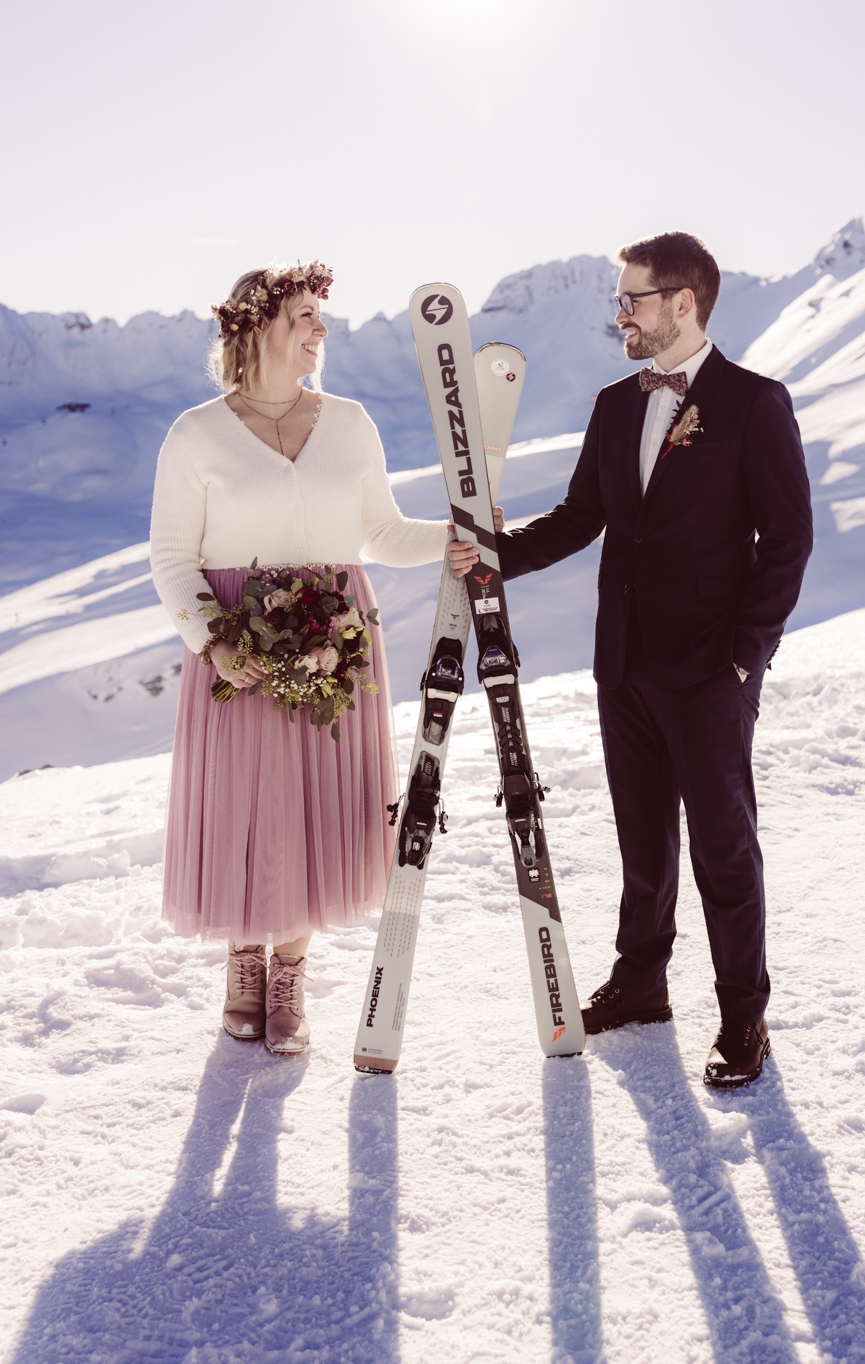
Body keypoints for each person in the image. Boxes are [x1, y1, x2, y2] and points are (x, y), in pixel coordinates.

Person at [495, 232, 813, 1088]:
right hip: (624, 662)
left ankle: (743, 1016)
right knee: (642, 838)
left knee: (722, 848)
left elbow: (788, 540)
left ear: (683, 302)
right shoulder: (613, 404)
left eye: (632, 301)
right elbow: (582, 516)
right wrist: (494, 557)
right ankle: (641, 982)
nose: (621, 316)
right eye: (619, 301)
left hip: (712, 670)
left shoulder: (754, 403)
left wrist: (745, 657)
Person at [150, 262, 489, 1055]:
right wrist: (215, 641)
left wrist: (456, 535)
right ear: (257, 326)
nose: (320, 329)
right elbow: (171, 556)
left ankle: (289, 974)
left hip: (338, 637)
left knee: (316, 801)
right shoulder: (196, 433)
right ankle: (244, 960)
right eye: (304, 314)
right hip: (238, 640)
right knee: (243, 797)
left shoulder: (349, 422)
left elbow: (382, 534)